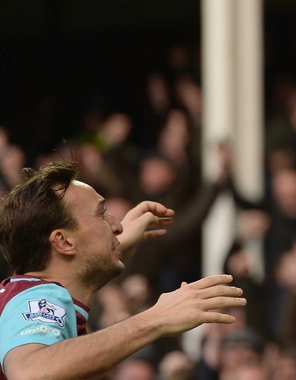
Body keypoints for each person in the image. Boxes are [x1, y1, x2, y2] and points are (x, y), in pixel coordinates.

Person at [0, 162, 246, 380]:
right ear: (64, 242)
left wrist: (111, 248)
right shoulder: (39, 299)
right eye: (101, 215)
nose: (117, 225)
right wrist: (155, 319)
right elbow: (29, 372)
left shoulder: (25, 292)